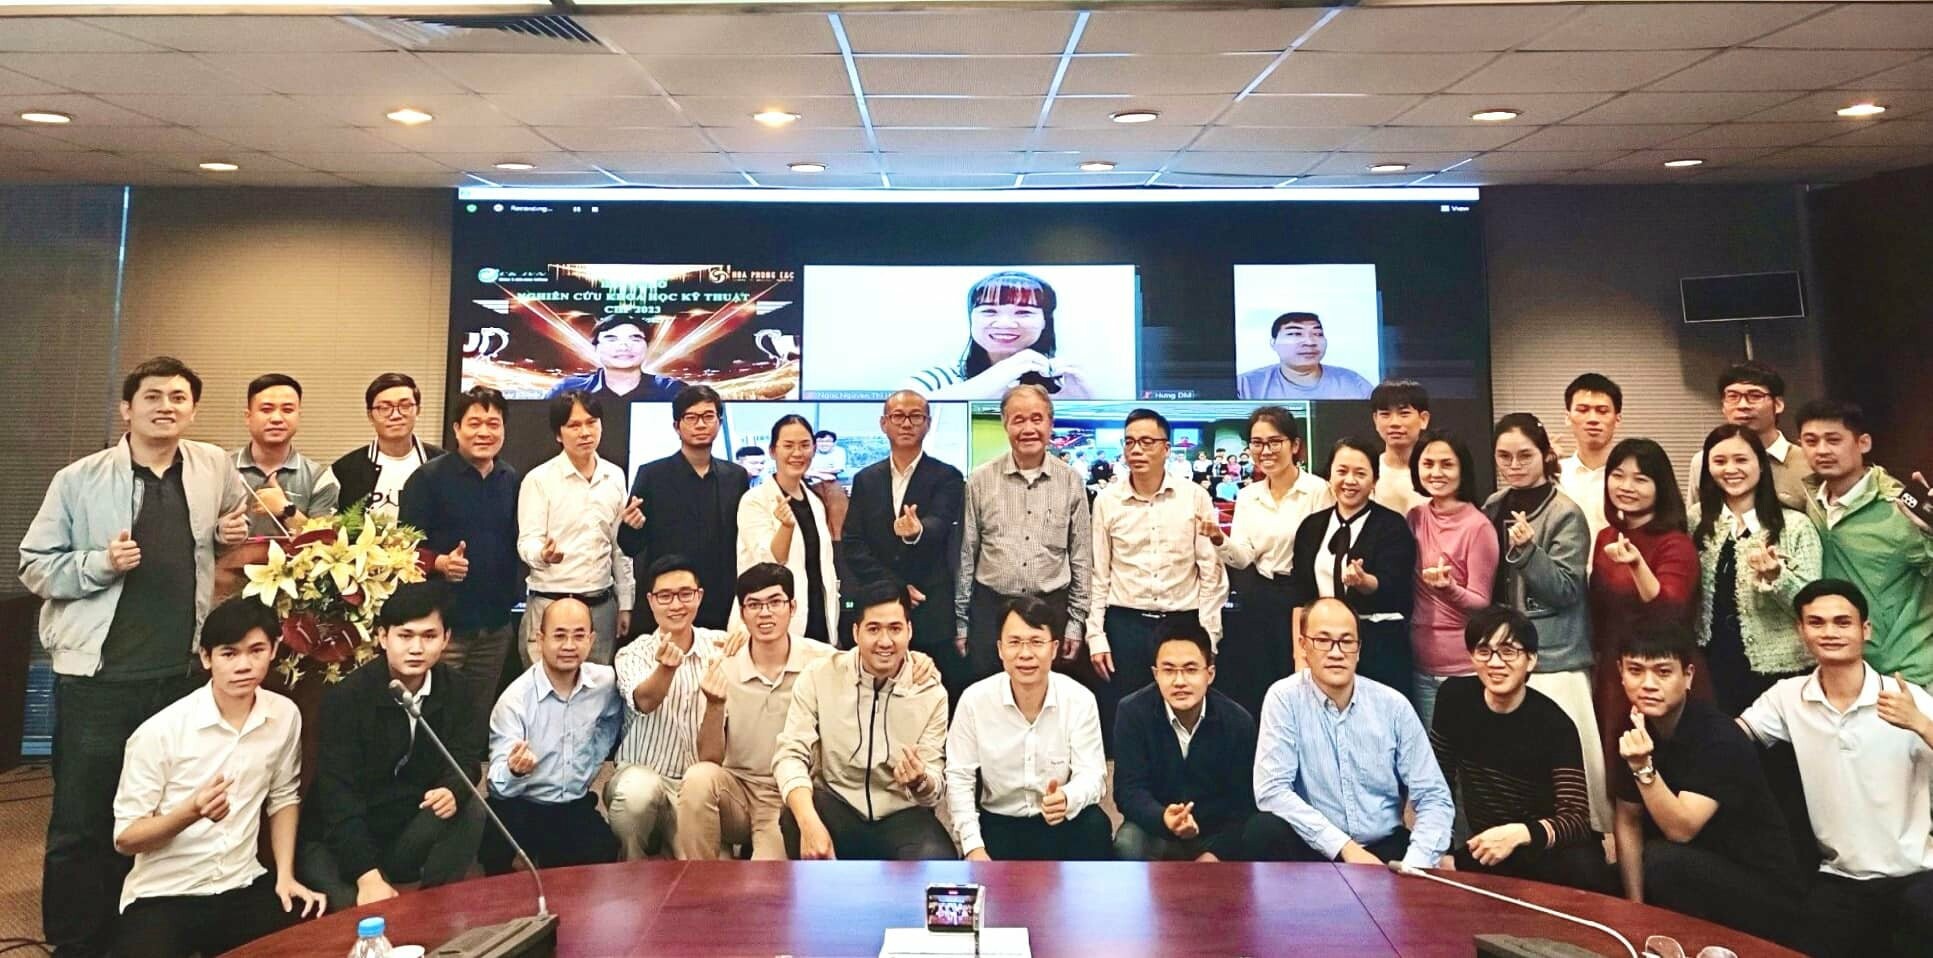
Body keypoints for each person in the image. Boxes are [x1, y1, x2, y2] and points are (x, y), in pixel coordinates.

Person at [19, 355, 251, 958]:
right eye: (152, 396)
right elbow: (34, 566)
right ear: (127, 408)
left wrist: (226, 533)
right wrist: (100, 564)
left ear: (192, 409)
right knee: (84, 821)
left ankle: (138, 937)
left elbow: (229, 523)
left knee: (162, 817)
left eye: (178, 397)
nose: (165, 406)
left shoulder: (213, 465)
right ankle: (75, 944)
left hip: (178, 678)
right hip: (100, 679)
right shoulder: (79, 479)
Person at [110, 598, 323, 958]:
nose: (244, 665)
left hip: (243, 884)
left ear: (274, 650)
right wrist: (190, 812)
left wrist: (285, 875)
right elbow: (126, 838)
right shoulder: (160, 732)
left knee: (317, 943)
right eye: (229, 654)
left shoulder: (284, 714)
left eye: (256, 651)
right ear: (207, 658)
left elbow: (284, 797)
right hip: (164, 894)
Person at [1738, 580, 1933, 958]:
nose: (1829, 632)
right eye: (1817, 622)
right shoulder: (1788, 697)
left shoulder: (1906, 697)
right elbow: (1730, 740)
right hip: (1841, 879)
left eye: (1842, 622)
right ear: (1801, 630)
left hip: (1917, 876)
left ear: (1865, 630)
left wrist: (1921, 724)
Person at [297, 582, 487, 910]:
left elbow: (466, 758)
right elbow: (337, 796)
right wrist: (366, 874)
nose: (416, 648)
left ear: (446, 639)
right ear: (383, 637)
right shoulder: (346, 699)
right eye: (405, 635)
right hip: (340, 836)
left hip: (404, 828)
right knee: (361, 915)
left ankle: (433, 907)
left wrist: (452, 788)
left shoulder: (458, 689)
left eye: (429, 636)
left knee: (470, 809)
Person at [1611, 627, 1803, 945]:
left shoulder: (1718, 736)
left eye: (1663, 672)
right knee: (1607, 877)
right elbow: (1627, 820)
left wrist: (1643, 767)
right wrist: (1635, 910)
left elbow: (1681, 829)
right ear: (1620, 672)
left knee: (1662, 861)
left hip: (1763, 888)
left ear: (1687, 676)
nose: (1648, 684)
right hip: (1695, 867)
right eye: (1635, 670)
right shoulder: (1632, 725)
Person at [1244, 598, 1454, 868]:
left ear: (1359, 649)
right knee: (1262, 830)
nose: (1336, 653)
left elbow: (1434, 796)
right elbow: (1271, 790)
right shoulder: (1283, 698)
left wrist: (1417, 862)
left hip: (1383, 846)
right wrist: (1344, 847)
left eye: (1346, 641)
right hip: (1313, 847)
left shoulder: (1393, 705)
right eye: (1323, 640)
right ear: (1303, 645)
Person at [1430, 607, 1609, 891]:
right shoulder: (1454, 698)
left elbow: (1576, 819)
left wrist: (1520, 833)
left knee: (1585, 869)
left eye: (1508, 651)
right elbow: (1437, 784)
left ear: (1531, 660)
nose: (1495, 662)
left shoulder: (1555, 724)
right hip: (1490, 849)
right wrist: (1443, 849)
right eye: (1484, 651)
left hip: (1547, 847)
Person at [774, 582, 953, 861]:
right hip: (838, 805)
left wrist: (920, 781)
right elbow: (789, 755)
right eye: (873, 629)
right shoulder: (820, 675)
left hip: (901, 814)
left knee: (937, 860)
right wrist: (809, 823)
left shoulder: (930, 692)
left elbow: (934, 787)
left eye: (895, 629)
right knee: (796, 815)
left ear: (909, 631)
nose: (885, 641)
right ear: (856, 632)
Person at [1485, 413, 1604, 830]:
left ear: (1545, 455)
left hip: (1556, 658)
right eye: (1504, 456)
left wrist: (1528, 551)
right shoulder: (1494, 505)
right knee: (1518, 773)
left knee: (1570, 776)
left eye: (1525, 456)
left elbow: (1567, 589)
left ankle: (1581, 844)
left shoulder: (1565, 512)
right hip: (1505, 656)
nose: (1514, 465)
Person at [676, 564, 838, 860]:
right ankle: (699, 877)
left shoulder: (822, 661)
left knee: (766, 881)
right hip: (737, 790)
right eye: (754, 605)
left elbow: (873, 660)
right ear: (742, 613)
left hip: (788, 796)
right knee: (698, 778)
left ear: (792, 607)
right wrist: (714, 705)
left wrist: (918, 663)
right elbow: (709, 758)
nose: (765, 613)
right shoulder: (723, 666)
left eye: (775, 602)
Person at [1088, 409, 1227, 741]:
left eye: (1147, 442)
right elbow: (1099, 573)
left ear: (1166, 448)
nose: (1136, 450)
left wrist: (1210, 635)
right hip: (1126, 624)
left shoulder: (1193, 497)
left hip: (1182, 621)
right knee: (1128, 723)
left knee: (1184, 722)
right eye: (1130, 442)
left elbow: (1210, 572)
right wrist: (1096, 636)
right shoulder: (1107, 501)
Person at [398, 386, 522, 740]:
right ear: (456, 429)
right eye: (474, 423)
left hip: (495, 626)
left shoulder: (511, 480)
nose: (484, 432)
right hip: (444, 626)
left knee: (476, 719)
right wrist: (438, 562)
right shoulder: (427, 479)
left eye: (493, 424)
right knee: (433, 716)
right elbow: (402, 549)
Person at [946, 595, 1111, 860]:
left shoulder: (1079, 699)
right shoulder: (974, 700)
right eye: (1014, 643)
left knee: (1096, 825)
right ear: (1000, 649)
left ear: (1054, 648)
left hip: (1058, 818)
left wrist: (1067, 797)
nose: (1025, 654)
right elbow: (959, 777)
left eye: (1036, 642)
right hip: (1000, 821)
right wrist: (972, 847)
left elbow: (1093, 774)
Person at [956, 384, 1093, 681]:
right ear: (1005, 423)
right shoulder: (979, 480)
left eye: (1036, 419)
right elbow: (967, 553)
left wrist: (1075, 623)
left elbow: (1082, 556)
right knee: (989, 696)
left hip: (1051, 610)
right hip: (991, 611)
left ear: (1050, 423)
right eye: (1018, 420)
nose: (1028, 429)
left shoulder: (1071, 481)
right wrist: (961, 622)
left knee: (1047, 698)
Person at [603, 555, 736, 859]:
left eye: (685, 594)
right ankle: (632, 868)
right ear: (651, 601)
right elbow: (645, 701)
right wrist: (666, 668)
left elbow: (712, 757)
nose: (676, 605)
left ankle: (670, 844)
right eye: (665, 596)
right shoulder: (633, 653)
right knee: (636, 797)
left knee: (712, 872)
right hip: (640, 774)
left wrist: (745, 639)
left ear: (699, 596)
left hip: (693, 787)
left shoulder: (720, 647)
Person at [1589, 438, 1697, 807]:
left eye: (1640, 479)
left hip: (1661, 672)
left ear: (1660, 486)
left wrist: (1637, 565)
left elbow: (1670, 611)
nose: (1626, 486)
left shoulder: (1675, 542)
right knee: (1621, 788)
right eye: (1618, 476)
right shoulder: (1606, 536)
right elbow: (1598, 610)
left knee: (1670, 779)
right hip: (1613, 673)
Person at [1206, 406, 1334, 714]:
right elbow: (1243, 557)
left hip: (1304, 597)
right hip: (1261, 596)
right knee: (1260, 683)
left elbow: (1326, 552)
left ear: (1295, 445)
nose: (1265, 451)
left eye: (1274, 442)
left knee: (1303, 682)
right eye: (1257, 443)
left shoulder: (1317, 490)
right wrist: (1219, 539)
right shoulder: (1249, 495)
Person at [482, 597, 624, 874]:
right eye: (559, 636)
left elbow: (611, 718)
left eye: (579, 636)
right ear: (540, 639)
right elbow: (496, 785)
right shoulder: (514, 700)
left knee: (602, 853)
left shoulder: (604, 682)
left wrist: (592, 760)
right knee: (497, 853)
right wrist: (515, 770)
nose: (569, 645)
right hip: (522, 803)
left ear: (592, 640)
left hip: (571, 803)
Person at [1797, 399, 1933, 687]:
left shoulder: (1898, 506)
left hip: (1908, 670)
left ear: (1863, 443)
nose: (1822, 450)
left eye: (1833, 440)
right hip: (1844, 670)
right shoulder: (1808, 502)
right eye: (1811, 441)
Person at [843, 390, 967, 702]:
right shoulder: (865, 479)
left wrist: (916, 531)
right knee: (875, 697)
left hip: (930, 609)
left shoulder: (948, 476)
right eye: (898, 416)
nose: (907, 423)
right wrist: (894, 588)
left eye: (916, 416)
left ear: (927, 424)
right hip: (879, 607)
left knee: (931, 695)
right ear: (884, 423)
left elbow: (941, 523)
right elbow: (853, 543)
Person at [1692, 424, 1821, 713]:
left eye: (1741, 460)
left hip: (1781, 671)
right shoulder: (1696, 521)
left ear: (1761, 465)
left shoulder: (1795, 526)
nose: (1730, 469)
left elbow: (1813, 607)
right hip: (1713, 665)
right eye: (1719, 461)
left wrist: (1778, 577)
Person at [1111, 618, 1256, 862]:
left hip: (1213, 833)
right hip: (1156, 827)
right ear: (1156, 674)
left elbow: (1243, 805)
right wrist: (1164, 818)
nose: (1179, 681)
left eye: (1190, 670)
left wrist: (1215, 854)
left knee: (1255, 835)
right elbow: (1128, 791)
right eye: (1169, 670)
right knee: (1128, 843)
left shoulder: (1237, 722)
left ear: (1210, 674)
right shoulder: (1132, 712)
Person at [1284, 437, 1417, 695]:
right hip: (1322, 645)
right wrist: (1300, 655)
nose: (1350, 480)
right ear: (1329, 476)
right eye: (1342, 471)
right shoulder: (1311, 527)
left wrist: (1365, 582)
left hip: (1378, 646)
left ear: (1374, 480)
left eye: (1360, 473)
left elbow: (1395, 585)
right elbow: (1300, 595)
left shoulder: (1392, 525)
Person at [619, 386, 750, 633]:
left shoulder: (736, 476)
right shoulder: (652, 475)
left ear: (719, 423)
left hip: (720, 600)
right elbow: (630, 546)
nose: (700, 424)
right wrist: (631, 526)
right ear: (676, 426)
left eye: (708, 416)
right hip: (671, 600)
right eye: (691, 417)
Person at [517, 390, 635, 665]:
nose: (585, 432)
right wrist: (542, 554)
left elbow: (619, 547)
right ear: (559, 434)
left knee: (596, 687)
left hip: (600, 607)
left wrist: (626, 603)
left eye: (591, 422)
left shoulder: (614, 476)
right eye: (574, 425)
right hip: (550, 604)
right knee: (544, 688)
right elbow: (527, 541)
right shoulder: (539, 479)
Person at [1405, 430, 1499, 726]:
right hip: (1418, 663)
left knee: (1462, 750)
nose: (1436, 473)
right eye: (1427, 464)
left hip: (1462, 667)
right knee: (1428, 750)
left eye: (1447, 464)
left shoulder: (1478, 526)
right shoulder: (1414, 517)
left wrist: (1449, 588)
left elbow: (1482, 602)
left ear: (1462, 470)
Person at [736, 414, 843, 645]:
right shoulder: (754, 500)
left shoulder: (815, 501)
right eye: (788, 445)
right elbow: (769, 564)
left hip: (818, 617)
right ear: (772, 451)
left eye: (804, 445)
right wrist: (786, 526)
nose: (797, 453)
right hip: (772, 621)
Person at [907, 270, 1094, 400]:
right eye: (989, 311)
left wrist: (1079, 403)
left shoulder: (1066, 381)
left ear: (1045, 321)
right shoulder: (937, 379)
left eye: (1024, 312)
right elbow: (901, 417)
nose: (1005, 323)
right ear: (971, 318)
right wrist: (996, 377)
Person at [548, 316, 689, 466]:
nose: (624, 346)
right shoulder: (567, 390)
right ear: (596, 348)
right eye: (611, 339)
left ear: (647, 346)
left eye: (635, 339)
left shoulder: (673, 390)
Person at [1687, 361, 1809, 512]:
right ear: (1723, 406)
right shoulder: (1703, 461)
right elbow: (1696, 517)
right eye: (1733, 396)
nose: (1743, 405)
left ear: (1778, 404)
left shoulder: (1806, 461)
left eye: (1755, 396)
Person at [232, 373, 339, 537]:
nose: (276, 418)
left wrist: (287, 509)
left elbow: (325, 542)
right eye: (266, 410)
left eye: (287, 410)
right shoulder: (220, 468)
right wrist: (219, 529)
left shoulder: (319, 478)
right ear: (248, 417)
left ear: (298, 416)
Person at [328, 372, 441, 517]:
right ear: (370, 415)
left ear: (418, 410)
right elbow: (325, 523)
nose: (396, 415)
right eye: (384, 408)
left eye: (405, 406)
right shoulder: (344, 470)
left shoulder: (444, 465)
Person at [1235, 311, 1373, 401]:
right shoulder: (1245, 385)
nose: (1310, 342)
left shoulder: (1353, 383)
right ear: (1273, 343)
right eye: (1295, 334)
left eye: (1317, 334)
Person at [1558, 373, 1622, 547]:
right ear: (1567, 417)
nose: (1593, 419)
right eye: (1582, 410)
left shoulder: (1630, 480)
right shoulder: (1554, 476)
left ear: (1617, 419)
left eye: (1602, 411)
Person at [1369, 380, 1431, 514]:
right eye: (1385, 414)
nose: (1394, 423)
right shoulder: (1367, 473)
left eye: (1404, 414)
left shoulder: (1435, 473)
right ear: (1375, 420)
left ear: (1423, 419)